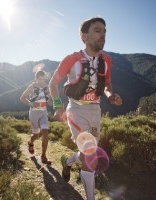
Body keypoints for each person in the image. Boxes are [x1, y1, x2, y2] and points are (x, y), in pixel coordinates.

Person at [49, 17, 122, 200]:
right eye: (98, 31)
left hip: (95, 110)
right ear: (84, 36)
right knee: (90, 156)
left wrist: (110, 95)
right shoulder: (72, 59)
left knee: (88, 151)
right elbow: (53, 83)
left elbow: (107, 84)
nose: (103, 35)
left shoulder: (107, 60)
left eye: (105, 32)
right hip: (76, 110)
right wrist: (58, 107)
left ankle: (67, 162)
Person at [20, 70, 53, 164]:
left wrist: (50, 101)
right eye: (40, 79)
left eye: (43, 78)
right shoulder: (32, 86)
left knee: (45, 132)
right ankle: (31, 143)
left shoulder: (47, 87)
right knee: (36, 135)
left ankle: (43, 156)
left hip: (43, 112)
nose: (41, 81)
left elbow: (49, 99)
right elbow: (22, 98)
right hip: (34, 113)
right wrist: (32, 104)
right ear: (36, 78)